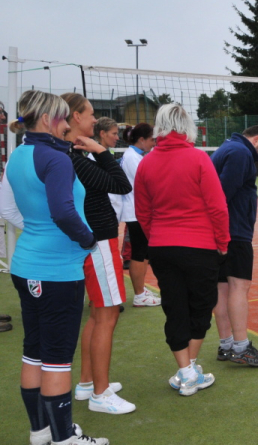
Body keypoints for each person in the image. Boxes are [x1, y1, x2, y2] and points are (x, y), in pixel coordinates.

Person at [1, 90, 108, 445]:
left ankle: (41, 431)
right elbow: (63, 212)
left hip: (27, 265)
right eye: (64, 117)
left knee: (34, 350)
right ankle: (64, 439)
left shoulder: (19, 154)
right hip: (56, 270)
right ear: (49, 120)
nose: (69, 123)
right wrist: (88, 239)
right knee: (58, 357)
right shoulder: (55, 158)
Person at [134, 103, 230, 396]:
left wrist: (158, 238)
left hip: (162, 246)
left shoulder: (146, 163)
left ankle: (186, 369)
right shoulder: (198, 159)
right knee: (200, 306)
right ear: (186, 125)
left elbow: (143, 212)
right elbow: (217, 206)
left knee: (174, 307)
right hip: (199, 246)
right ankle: (189, 371)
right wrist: (223, 242)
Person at [61, 96, 135, 415]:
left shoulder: (71, 154)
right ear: (76, 117)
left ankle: (88, 383)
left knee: (97, 314)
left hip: (95, 241)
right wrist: (101, 151)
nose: (96, 121)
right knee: (107, 314)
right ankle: (100, 395)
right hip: (99, 242)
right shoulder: (76, 158)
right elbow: (121, 185)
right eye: (91, 115)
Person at [211, 125, 258, 367]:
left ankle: (226, 345)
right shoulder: (240, 153)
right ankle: (240, 347)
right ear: (256, 139)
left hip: (224, 231)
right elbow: (221, 194)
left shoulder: (228, 148)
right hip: (234, 232)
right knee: (239, 286)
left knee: (223, 288)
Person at [119, 122, 161, 307]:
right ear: (141, 139)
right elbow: (146, 184)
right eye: (152, 140)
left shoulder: (135, 156)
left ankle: (140, 292)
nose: (154, 143)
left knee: (141, 253)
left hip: (137, 211)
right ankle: (139, 294)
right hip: (135, 212)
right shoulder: (132, 158)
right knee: (139, 254)